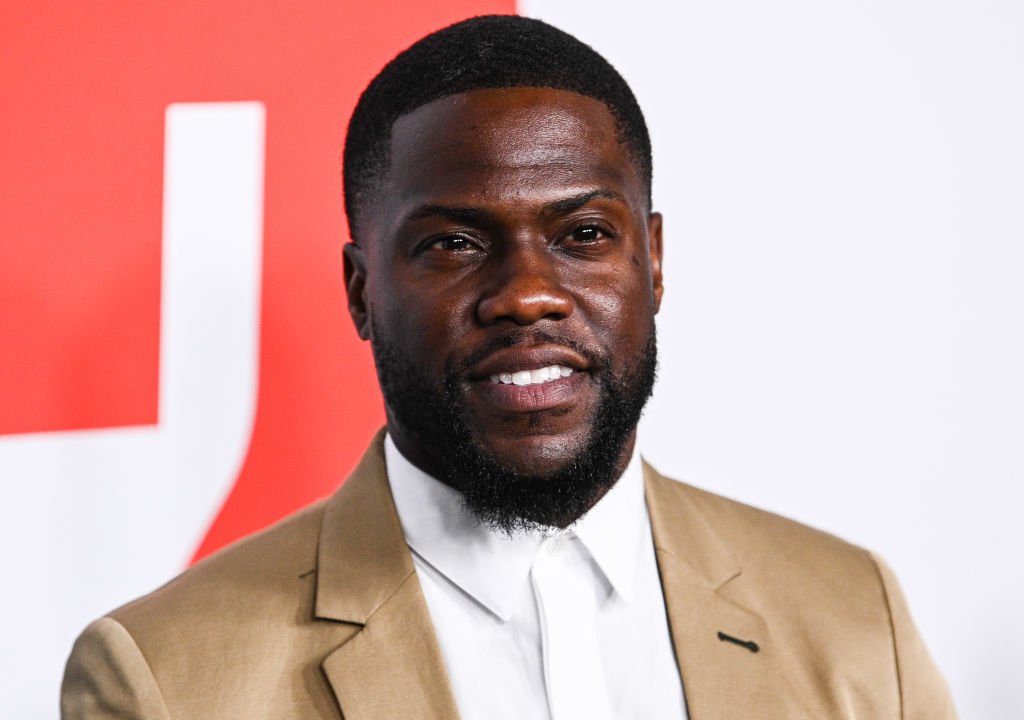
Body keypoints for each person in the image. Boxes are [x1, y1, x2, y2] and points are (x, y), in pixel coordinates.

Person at [62, 15, 957, 720]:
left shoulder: (854, 615)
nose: (528, 295)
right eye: (453, 243)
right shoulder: (166, 683)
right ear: (361, 290)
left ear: (652, 260)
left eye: (583, 236)